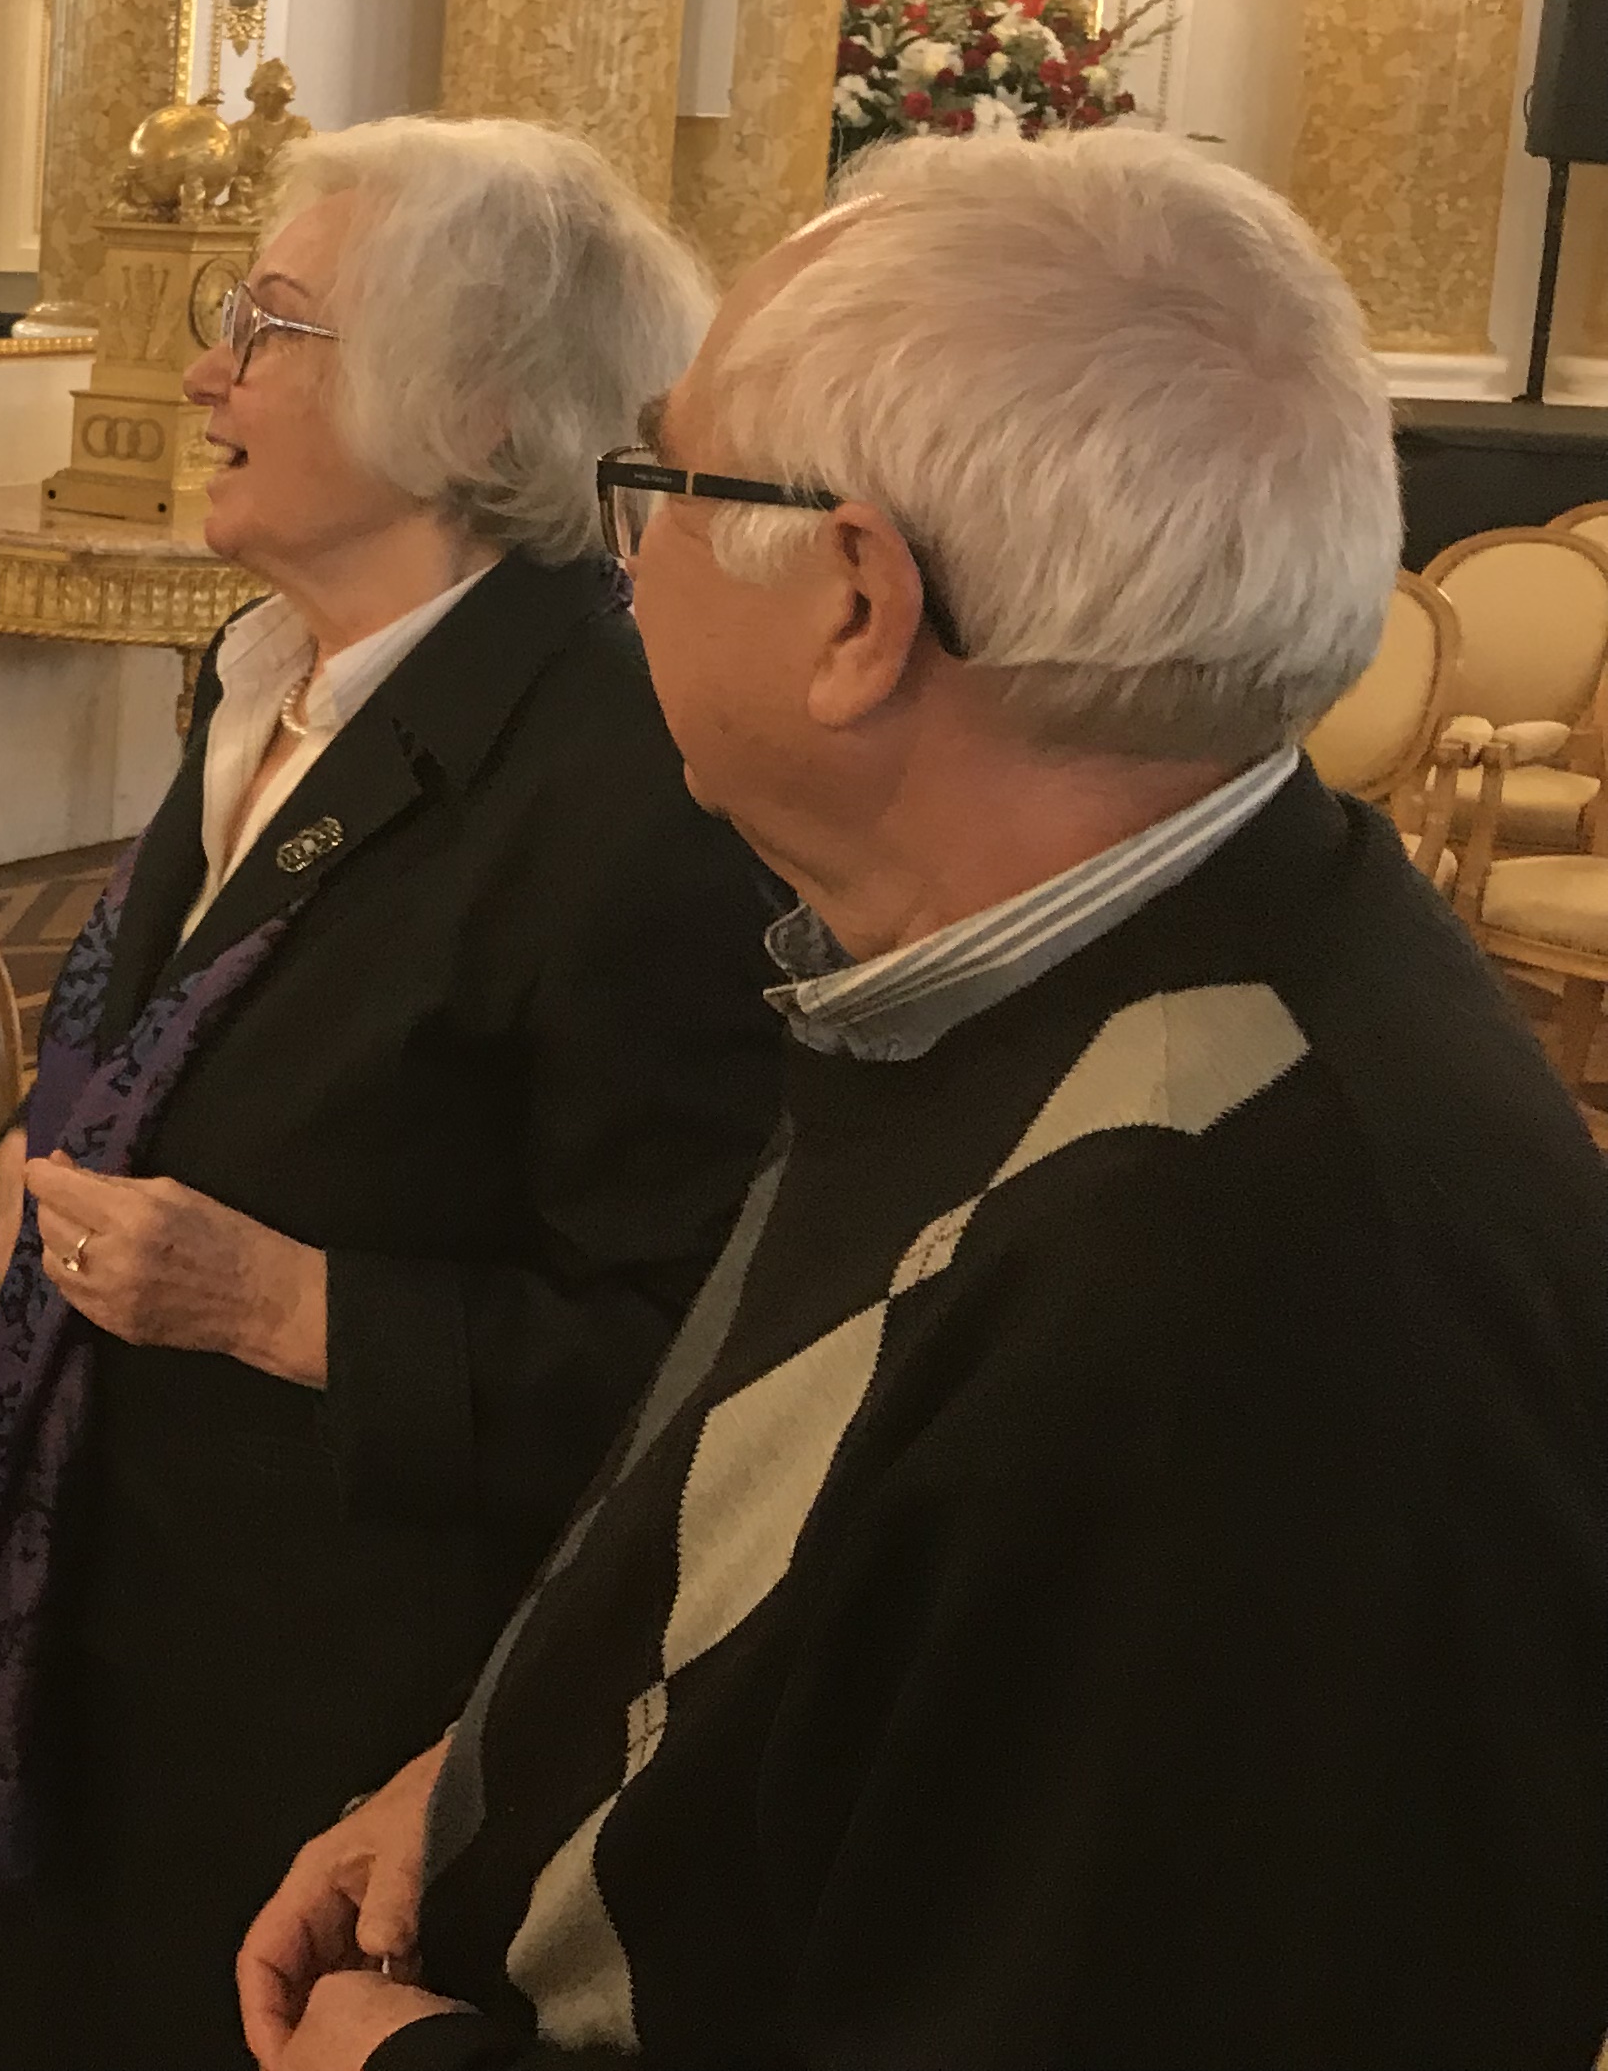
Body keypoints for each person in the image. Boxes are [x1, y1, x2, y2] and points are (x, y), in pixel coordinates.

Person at [239, 131, 1608, 2071]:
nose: (626, 549)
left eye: (661, 481)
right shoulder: (1043, 964)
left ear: (857, 608)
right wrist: (498, 1772)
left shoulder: (1237, 1281)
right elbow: (859, 1611)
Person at [0, 118, 788, 2068]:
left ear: (471, 406)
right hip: (106, 1626)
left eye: (269, 324)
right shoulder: (265, 670)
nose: (204, 369)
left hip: (333, 1738)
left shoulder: (628, 786)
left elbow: (696, 1376)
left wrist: (286, 1304)